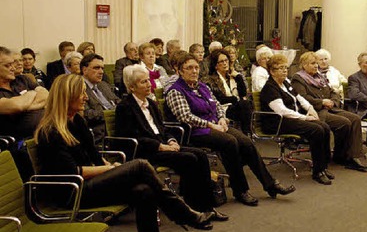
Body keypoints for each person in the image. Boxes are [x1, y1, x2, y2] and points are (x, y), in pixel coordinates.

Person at [35, 74, 219, 232]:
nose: (86, 97)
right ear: (67, 97)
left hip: (90, 183)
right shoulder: (50, 131)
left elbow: (94, 158)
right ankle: (184, 213)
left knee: (145, 191)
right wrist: (111, 169)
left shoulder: (76, 120)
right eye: (82, 93)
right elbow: (74, 172)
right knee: (140, 165)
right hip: (72, 192)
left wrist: (107, 166)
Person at [165, 52, 295, 206]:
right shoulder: (175, 91)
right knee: (230, 142)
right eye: (189, 68)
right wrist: (211, 124)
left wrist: (221, 118)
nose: (194, 71)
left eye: (196, 67)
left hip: (216, 125)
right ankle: (240, 190)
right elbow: (185, 116)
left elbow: (217, 105)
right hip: (194, 131)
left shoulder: (202, 86)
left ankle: (270, 184)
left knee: (246, 142)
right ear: (180, 71)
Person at [116, 65, 229, 219]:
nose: (149, 84)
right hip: (145, 150)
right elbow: (129, 137)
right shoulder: (125, 107)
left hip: (163, 145)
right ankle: (191, 210)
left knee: (201, 155)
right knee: (188, 159)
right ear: (132, 87)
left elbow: (163, 128)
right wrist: (159, 146)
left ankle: (208, 206)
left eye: (148, 80)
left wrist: (171, 140)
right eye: (143, 82)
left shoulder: (151, 103)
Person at [260, 54, 334, 185]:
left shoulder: (286, 83)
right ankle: (317, 172)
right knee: (316, 130)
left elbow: (300, 98)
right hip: (277, 122)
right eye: (280, 68)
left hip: (291, 119)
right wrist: (305, 117)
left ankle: (323, 166)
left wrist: (311, 108)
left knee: (324, 127)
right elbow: (282, 111)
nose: (284, 70)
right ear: (272, 71)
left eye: (286, 68)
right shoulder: (269, 88)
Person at [291, 52, 367, 172]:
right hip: (316, 110)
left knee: (355, 119)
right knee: (344, 122)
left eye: (316, 63)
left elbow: (333, 91)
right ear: (304, 65)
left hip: (331, 107)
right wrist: (322, 102)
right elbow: (302, 97)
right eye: (313, 63)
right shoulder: (298, 78)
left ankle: (352, 157)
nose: (316, 66)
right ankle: (340, 155)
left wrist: (333, 101)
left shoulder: (319, 76)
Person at [0, 46, 48, 180]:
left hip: (40, 136)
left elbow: (46, 95)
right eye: (8, 65)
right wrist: (33, 93)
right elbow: (15, 105)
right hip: (16, 144)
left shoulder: (22, 79)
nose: (13, 68)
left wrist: (25, 105)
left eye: (13, 64)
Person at [203, 49, 252, 134]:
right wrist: (235, 99)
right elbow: (220, 99)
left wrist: (239, 78)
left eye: (226, 60)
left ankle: (246, 133)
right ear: (215, 65)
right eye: (221, 61)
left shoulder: (233, 77)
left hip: (235, 107)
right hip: (222, 108)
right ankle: (247, 133)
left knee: (246, 103)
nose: (225, 63)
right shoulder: (211, 80)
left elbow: (243, 93)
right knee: (244, 104)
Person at [81, 54, 119, 144]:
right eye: (96, 68)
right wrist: (111, 113)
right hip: (100, 132)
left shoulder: (103, 84)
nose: (101, 72)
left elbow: (118, 101)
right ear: (84, 70)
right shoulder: (79, 87)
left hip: (116, 126)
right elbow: (87, 114)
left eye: (102, 68)